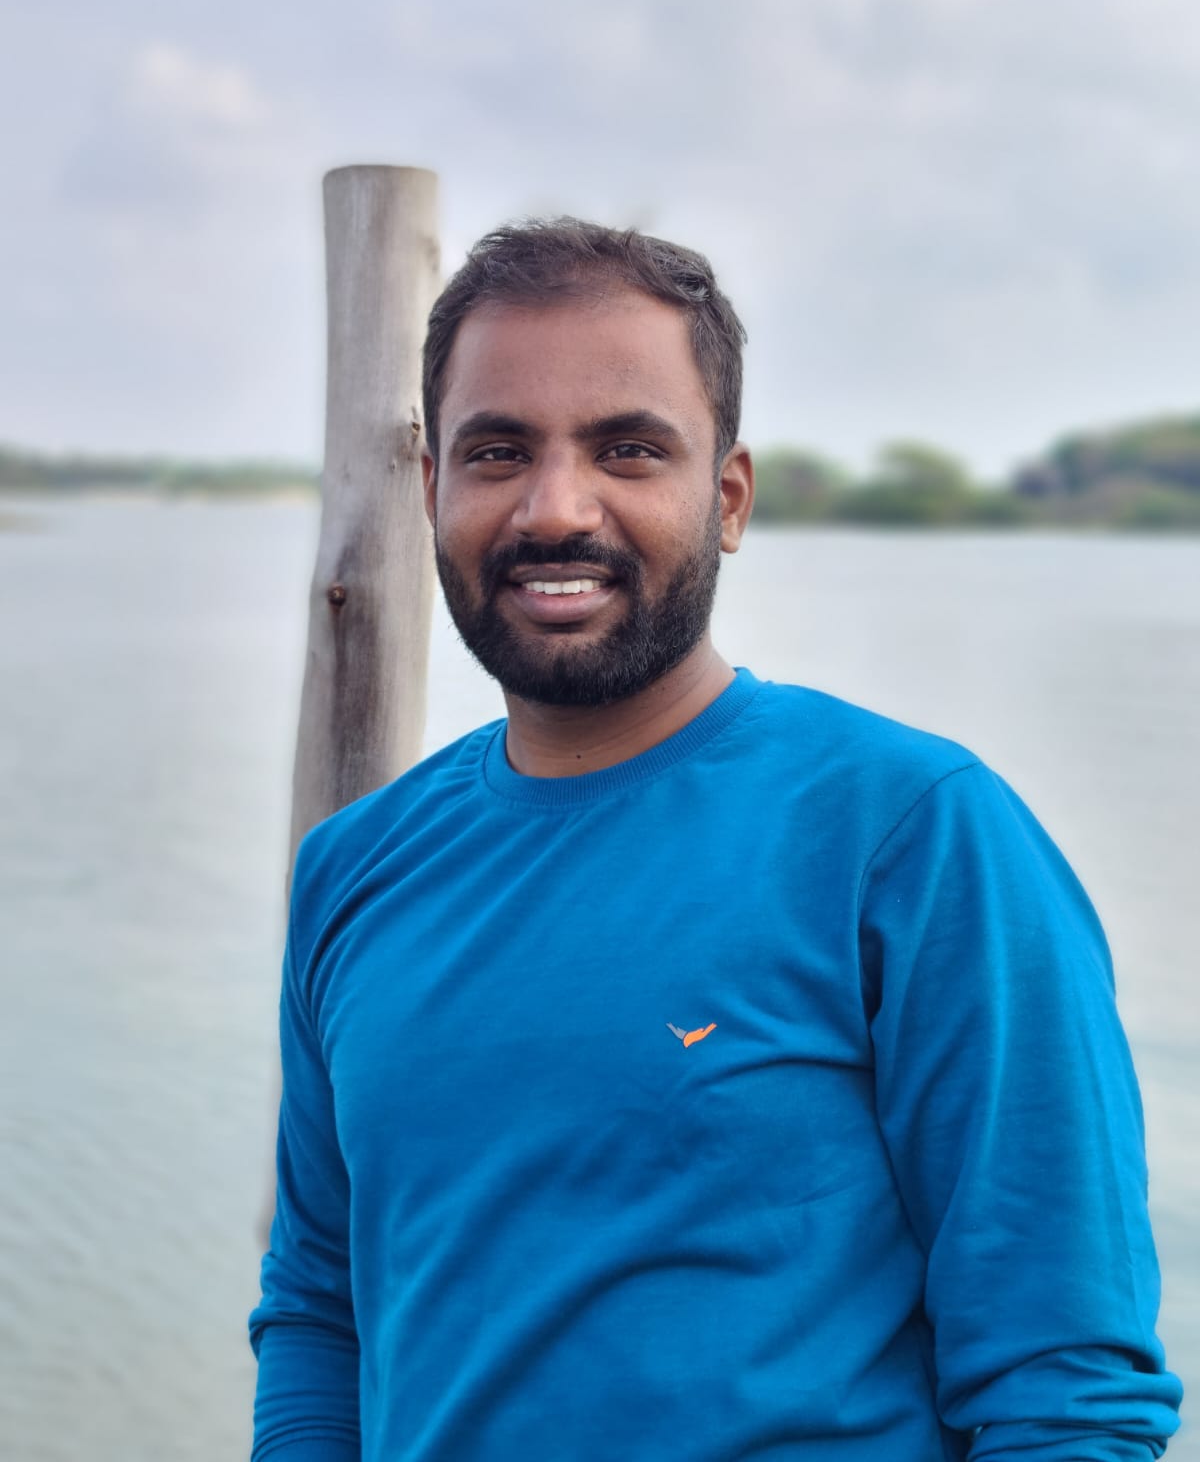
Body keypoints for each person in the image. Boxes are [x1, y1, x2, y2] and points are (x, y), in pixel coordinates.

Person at [249, 219, 1182, 1461]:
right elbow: (320, 1314)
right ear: (433, 491)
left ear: (727, 497)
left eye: (628, 450)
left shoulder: (914, 836)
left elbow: (1066, 1392)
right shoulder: (355, 870)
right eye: (498, 451)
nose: (554, 507)